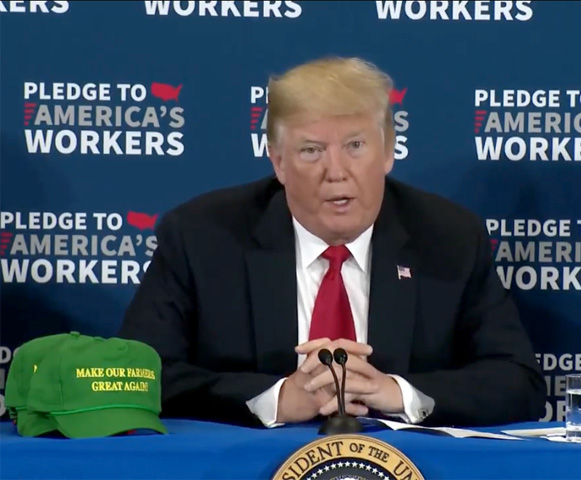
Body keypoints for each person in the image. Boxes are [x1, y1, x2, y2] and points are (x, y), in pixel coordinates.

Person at [118, 56, 546, 428]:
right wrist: (277, 399)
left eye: (356, 146)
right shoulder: (201, 237)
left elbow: (518, 383)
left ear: (389, 151)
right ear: (279, 162)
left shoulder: (449, 238)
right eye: (311, 151)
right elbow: (140, 377)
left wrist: (395, 393)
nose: (336, 171)